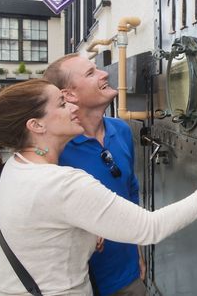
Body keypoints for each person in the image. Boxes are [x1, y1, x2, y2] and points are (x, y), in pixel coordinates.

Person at [0, 79, 197, 295]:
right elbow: (149, 228)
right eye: (61, 103)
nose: (72, 105)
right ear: (36, 126)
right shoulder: (60, 183)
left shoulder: (3, 176)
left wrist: (82, 238)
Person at [43, 54, 147, 295]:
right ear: (69, 95)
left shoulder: (121, 129)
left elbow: (130, 192)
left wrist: (138, 253)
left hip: (128, 275)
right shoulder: (55, 148)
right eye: (91, 73)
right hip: (80, 284)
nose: (105, 74)